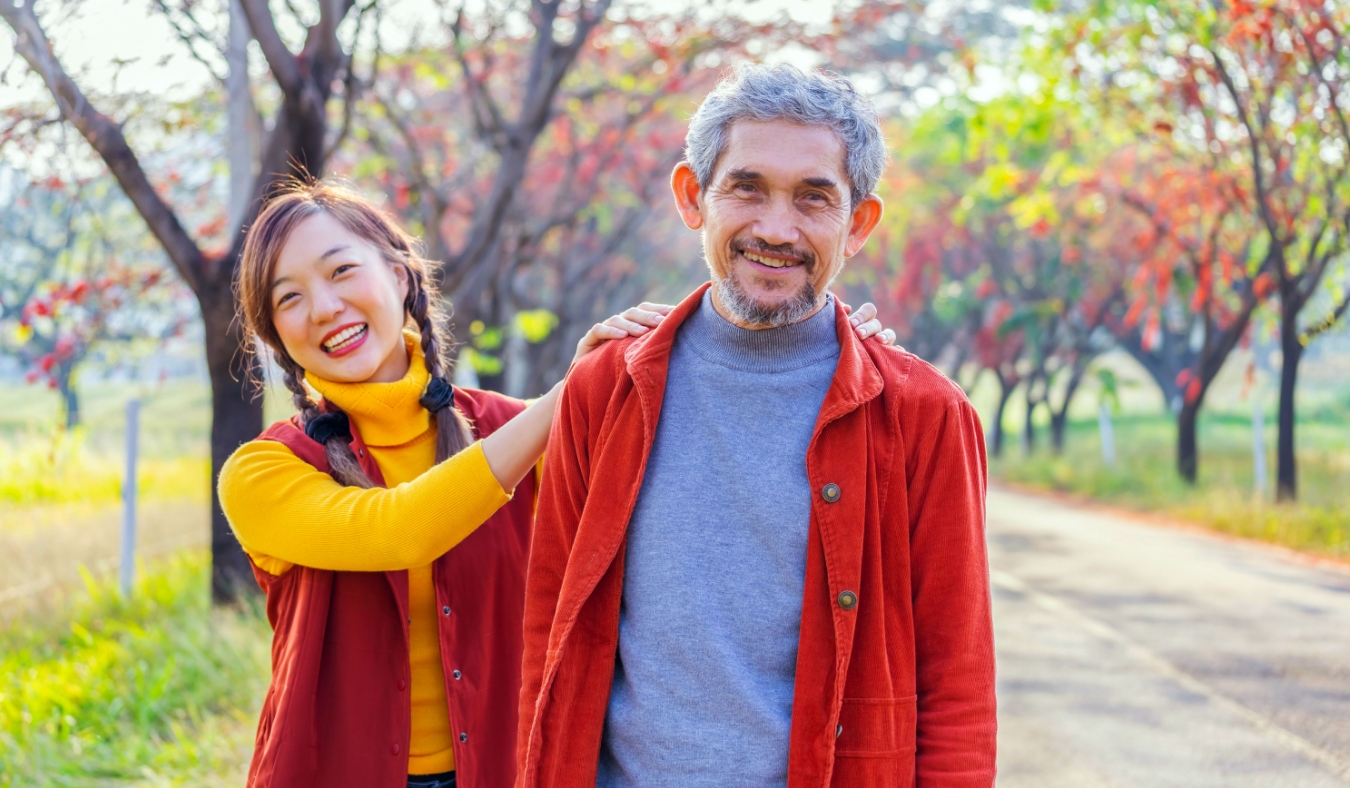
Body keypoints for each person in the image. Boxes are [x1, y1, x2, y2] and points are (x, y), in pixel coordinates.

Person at [218, 179, 895, 788]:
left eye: (341, 272)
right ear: (275, 331)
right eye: (290, 299)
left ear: (398, 278)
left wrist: (822, 348)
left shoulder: (510, 431)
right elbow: (398, 528)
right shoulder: (265, 471)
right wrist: (567, 399)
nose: (326, 307)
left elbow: (692, 489)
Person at [516, 63, 997, 788]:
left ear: (857, 223)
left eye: (813, 199)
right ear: (693, 197)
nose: (777, 229)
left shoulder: (924, 416)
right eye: (747, 187)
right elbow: (549, 632)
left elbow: (956, 687)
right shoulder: (607, 388)